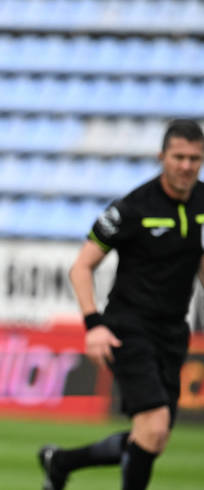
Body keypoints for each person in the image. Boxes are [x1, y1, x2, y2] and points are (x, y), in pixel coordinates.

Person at [38, 119, 204, 490]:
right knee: (154, 426)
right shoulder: (133, 207)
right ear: (162, 157)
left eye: (195, 158)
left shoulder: (202, 204)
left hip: (174, 332)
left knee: (152, 438)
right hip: (128, 327)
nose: (186, 166)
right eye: (179, 157)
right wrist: (93, 324)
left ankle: (60, 461)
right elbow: (81, 266)